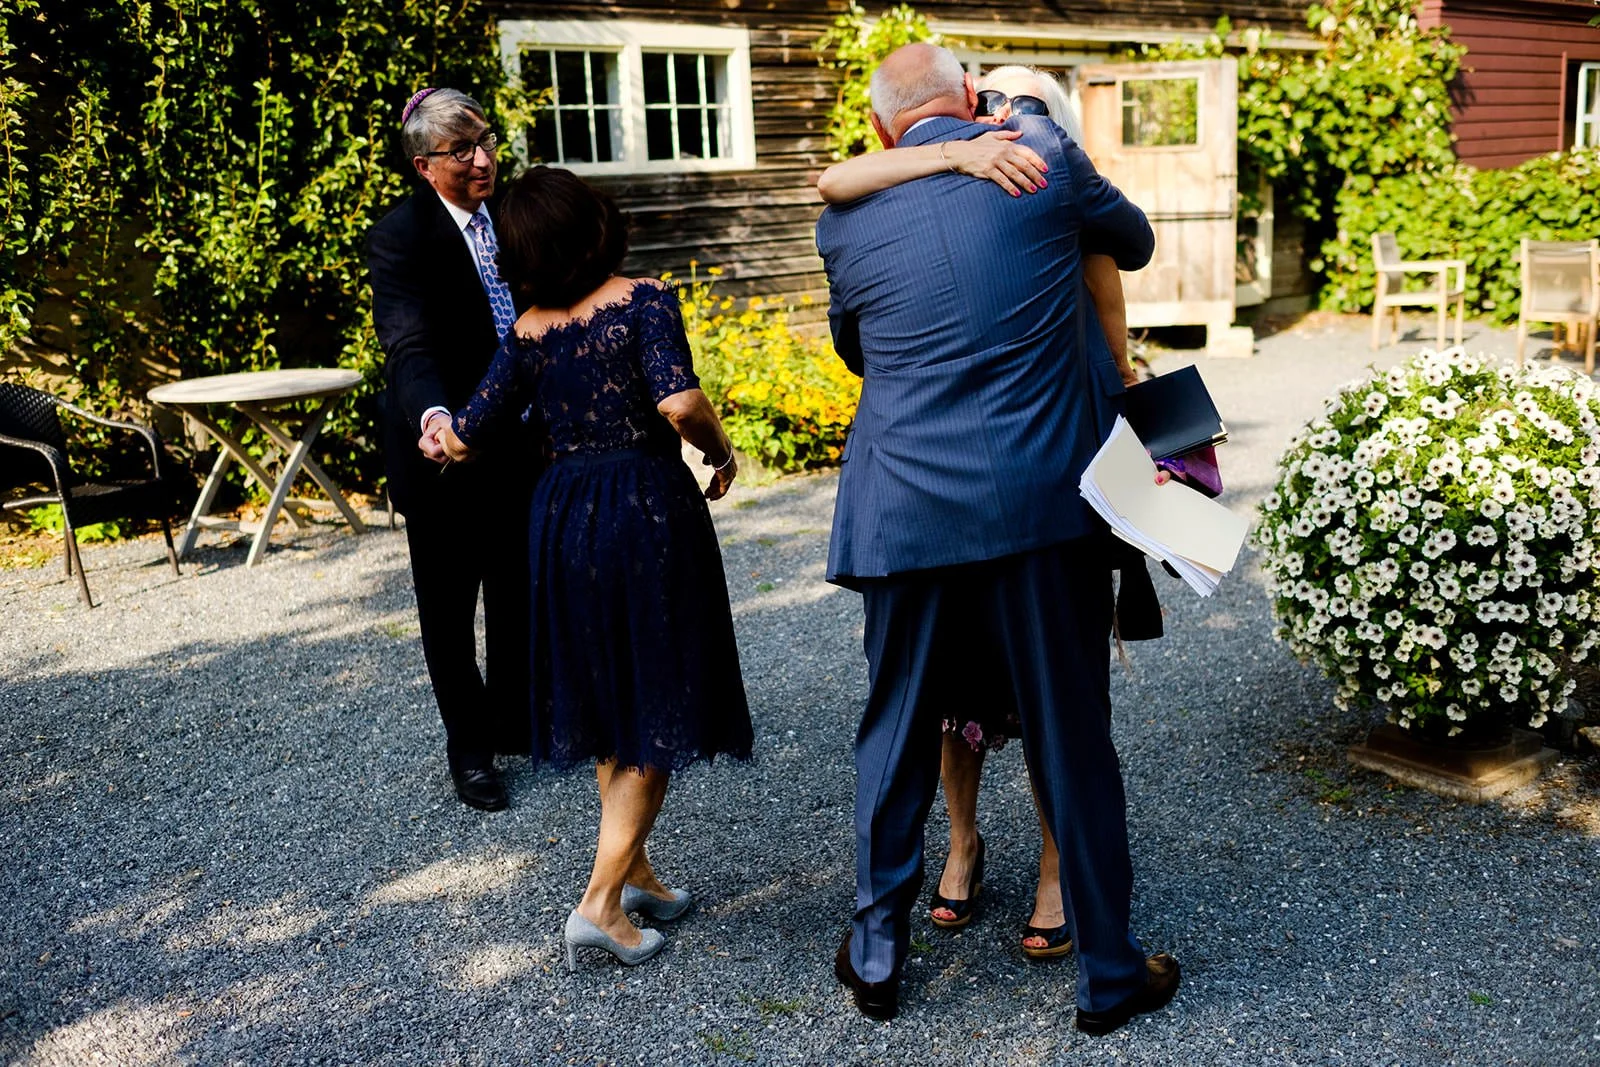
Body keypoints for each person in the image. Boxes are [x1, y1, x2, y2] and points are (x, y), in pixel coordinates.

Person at [817, 43, 1178, 1033]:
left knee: (894, 725)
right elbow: (1133, 241)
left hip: (903, 504)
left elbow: (858, 346)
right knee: (1069, 732)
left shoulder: (841, 217)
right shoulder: (1042, 154)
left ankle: (879, 951)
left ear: (888, 128)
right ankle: (1107, 971)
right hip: (1036, 501)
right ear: (970, 99)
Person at [437, 166, 753, 970]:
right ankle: (600, 904)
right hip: (641, 509)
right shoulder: (642, 298)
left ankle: (636, 869)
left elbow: (468, 433)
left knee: (615, 699)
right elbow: (678, 402)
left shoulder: (528, 332)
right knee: (656, 699)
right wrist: (720, 451)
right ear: (592, 226)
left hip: (562, 519)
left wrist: (436, 432)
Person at [367, 88, 536, 813]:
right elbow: (408, 343)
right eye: (462, 150)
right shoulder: (400, 236)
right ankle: (470, 752)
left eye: (486, 141)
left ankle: (518, 723)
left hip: (524, 441)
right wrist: (436, 416)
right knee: (447, 607)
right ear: (423, 165)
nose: (483, 159)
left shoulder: (519, 216)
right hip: (442, 452)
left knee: (518, 588)